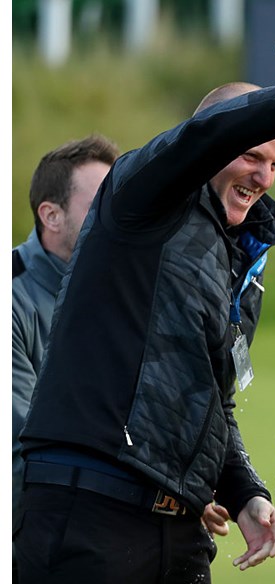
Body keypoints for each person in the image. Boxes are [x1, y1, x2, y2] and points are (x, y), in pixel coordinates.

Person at [15, 74, 275, 584]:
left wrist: (244, 492)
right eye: (252, 156)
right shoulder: (137, 197)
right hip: (92, 510)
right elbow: (212, 134)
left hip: (176, 525)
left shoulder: (240, 255)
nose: (265, 177)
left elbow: (213, 395)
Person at [12, 135, 120, 583]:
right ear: (50, 215)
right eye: (98, 202)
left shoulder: (122, 289)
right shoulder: (12, 300)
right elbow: (25, 442)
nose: (114, 216)